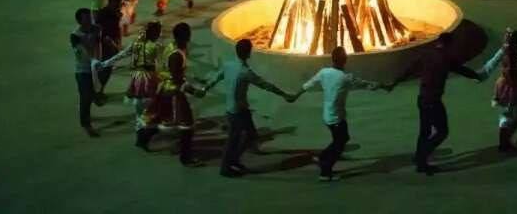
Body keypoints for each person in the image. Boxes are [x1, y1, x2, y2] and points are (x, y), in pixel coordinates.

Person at [206, 39, 297, 178]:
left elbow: (215, 78)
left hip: (235, 109)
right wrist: (284, 94)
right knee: (233, 140)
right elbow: (265, 85)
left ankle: (234, 161)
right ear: (249, 53)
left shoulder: (228, 66)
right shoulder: (245, 72)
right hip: (238, 111)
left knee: (250, 135)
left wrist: (204, 88)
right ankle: (226, 167)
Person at [395, 32, 482, 175]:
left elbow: (409, 70)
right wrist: (477, 76)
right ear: (449, 45)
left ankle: (419, 158)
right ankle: (421, 158)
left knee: (425, 131)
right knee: (442, 131)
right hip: (433, 100)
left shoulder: (427, 54)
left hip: (422, 98)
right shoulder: (446, 57)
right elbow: (462, 70)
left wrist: (394, 83)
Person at [298, 46, 383, 181]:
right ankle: (325, 171)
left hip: (327, 115)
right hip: (337, 118)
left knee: (339, 140)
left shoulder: (324, 72)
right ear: (345, 60)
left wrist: (295, 95)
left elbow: (309, 84)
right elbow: (366, 84)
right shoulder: (346, 78)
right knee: (340, 143)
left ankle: (322, 157)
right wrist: (383, 85)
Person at [137, 22, 206, 166]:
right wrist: (195, 91)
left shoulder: (172, 46)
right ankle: (185, 158)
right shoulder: (177, 55)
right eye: (187, 36)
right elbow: (178, 80)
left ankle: (142, 139)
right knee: (187, 125)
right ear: (186, 36)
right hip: (173, 92)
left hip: (165, 89)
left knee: (161, 117)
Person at [476, 28, 517, 151]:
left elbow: (491, 64)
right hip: (514, 86)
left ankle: (504, 140)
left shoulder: (504, 51)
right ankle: (504, 141)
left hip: (503, 85)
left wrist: (482, 75)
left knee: (507, 114)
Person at [99, 21, 164, 132]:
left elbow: (160, 63)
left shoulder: (150, 45)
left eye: (158, 32)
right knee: (143, 102)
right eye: (157, 32)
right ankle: (141, 123)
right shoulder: (147, 45)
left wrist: (105, 63)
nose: (158, 35)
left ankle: (141, 122)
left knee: (144, 102)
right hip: (144, 77)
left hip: (146, 77)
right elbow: (122, 55)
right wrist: (105, 63)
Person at [70, 8, 102, 137]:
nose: (90, 20)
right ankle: (86, 123)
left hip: (96, 68)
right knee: (85, 97)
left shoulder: (95, 29)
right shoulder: (75, 36)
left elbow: (98, 45)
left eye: (90, 17)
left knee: (90, 94)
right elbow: (84, 53)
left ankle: (92, 99)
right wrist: (93, 36)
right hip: (83, 70)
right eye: (86, 18)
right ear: (80, 21)